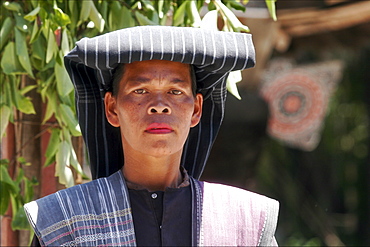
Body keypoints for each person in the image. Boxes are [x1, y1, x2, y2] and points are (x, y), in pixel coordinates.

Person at [25, 26, 279, 246]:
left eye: (175, 91)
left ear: (197, 109)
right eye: (140, 90)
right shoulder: (64, 224)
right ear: (112, 108)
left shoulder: (245, 222)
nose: (159, 105)